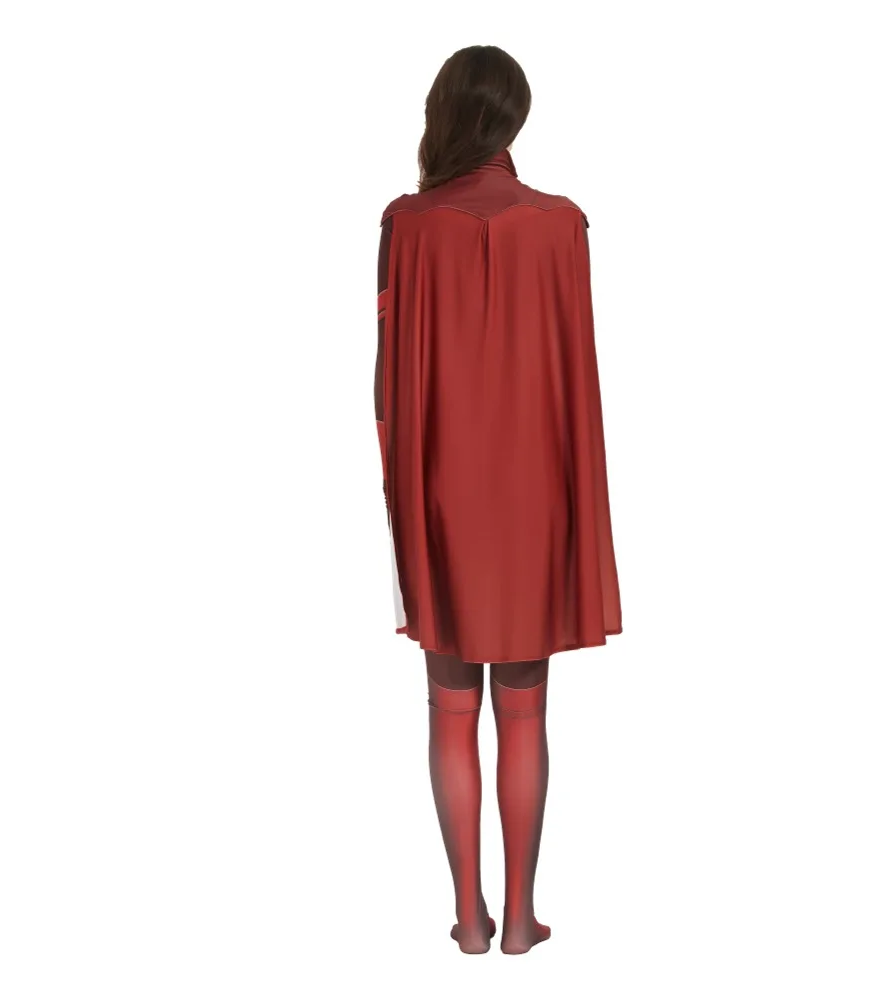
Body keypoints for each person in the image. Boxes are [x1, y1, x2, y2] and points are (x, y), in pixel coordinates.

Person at [374, 45, 622, 954]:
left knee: (450, 708)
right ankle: (520, 919)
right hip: (534, 497)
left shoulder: (405, 224)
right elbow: (574, 380)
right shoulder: (562, 225)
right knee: (524, 711)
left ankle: (469, 921)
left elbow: (386, 383)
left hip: (441, 491)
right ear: (515, 117)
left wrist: (404, 494)